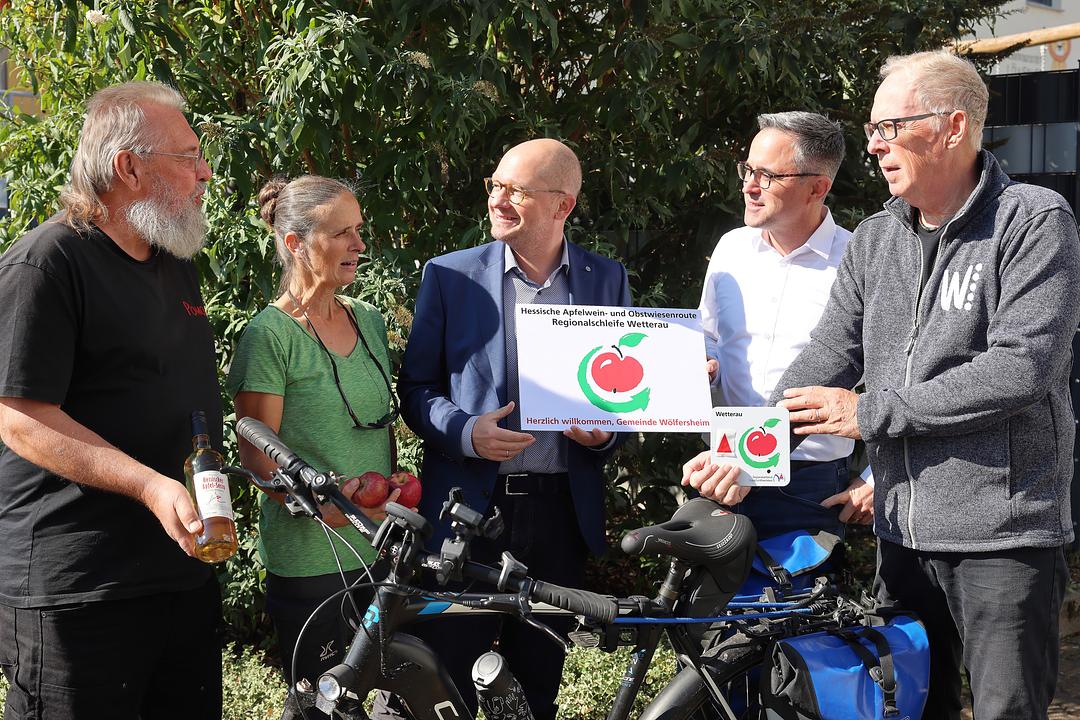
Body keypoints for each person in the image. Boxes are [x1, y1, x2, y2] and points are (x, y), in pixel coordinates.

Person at [751, 51, 1074, 719]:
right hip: (900, 538)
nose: (874, 145)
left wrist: (871, 411)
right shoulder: (876, 238)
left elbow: (1021, 368)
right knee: (909, 710)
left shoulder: (1032, 220)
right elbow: (828, 354)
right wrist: (745, 446)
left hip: (1002, 540)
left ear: (954, 126)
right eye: (873, 129)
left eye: (890, 127)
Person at [0, 81, 223, 719]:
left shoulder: (173, 263)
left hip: (180, 572)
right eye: (188, 157)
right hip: (79, 588)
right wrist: (149, 486)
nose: (205, 174)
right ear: (128, 167)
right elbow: (20, 419)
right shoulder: (47, 263)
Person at [397, 138, 631, 720]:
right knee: (444, 683)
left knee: (536, 687)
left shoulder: (606, 279)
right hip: (468, 512)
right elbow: (416, 389)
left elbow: (627, 396)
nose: (498, 199)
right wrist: (465, 432)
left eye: (516, 191)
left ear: (562, 205)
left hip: (560, 516)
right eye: (495, 185)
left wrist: (604, 433)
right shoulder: (450, 276)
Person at [227, 176, 401, 709]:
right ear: (295, 243)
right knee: (322, 704)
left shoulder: (368, 321)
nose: (359, 244)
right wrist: (321, 505)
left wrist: (393, 488)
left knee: (383, 700)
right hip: (311, 561)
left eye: (359, 230)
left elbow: (379, 428)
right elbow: (257, 455)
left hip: (379, 549)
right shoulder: (270, 335)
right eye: (342, 233)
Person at [691, 111, 872, 539]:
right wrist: (704, 365)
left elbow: (899, 377)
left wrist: (874, 478)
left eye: (768, 176)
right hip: (721, 467)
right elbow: (709, 337)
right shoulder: (731, 248)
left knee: (798, 586)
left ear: (818, 188)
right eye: (748, 170)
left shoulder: (859, 261)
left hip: (809, 483)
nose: (749, 186)